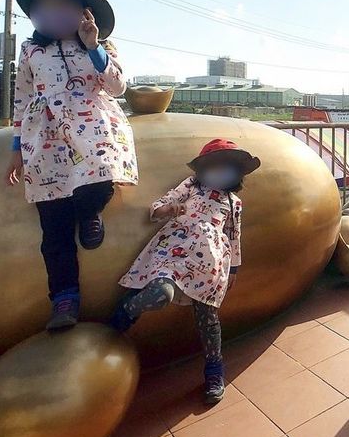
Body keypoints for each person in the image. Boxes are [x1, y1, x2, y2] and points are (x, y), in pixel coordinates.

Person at [5, 0, 138, 331]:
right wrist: (16, 147)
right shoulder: (31, 50)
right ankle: (64, 299)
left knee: (99, 177)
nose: (51, 13)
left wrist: (93, 46)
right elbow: (22, 97)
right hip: (44, 137)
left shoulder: (102, 47)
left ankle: (90, 211)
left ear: (84, 11)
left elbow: (118, 86)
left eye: (61, 5)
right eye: (42, 7)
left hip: (93, 127)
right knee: (53, 224)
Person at [111, 139, 259, 404]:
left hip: (209, 264)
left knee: (208, 317)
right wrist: (169, 209)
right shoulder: (191, 185)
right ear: (203, 168)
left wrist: (234, 267)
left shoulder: (234, 203)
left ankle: (214, 370)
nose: (221, 171)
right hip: (175, 250)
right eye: (215, 165)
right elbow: (159, 206)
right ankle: (126, 311)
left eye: (228, 167)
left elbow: (234, 236)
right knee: (159, 293)